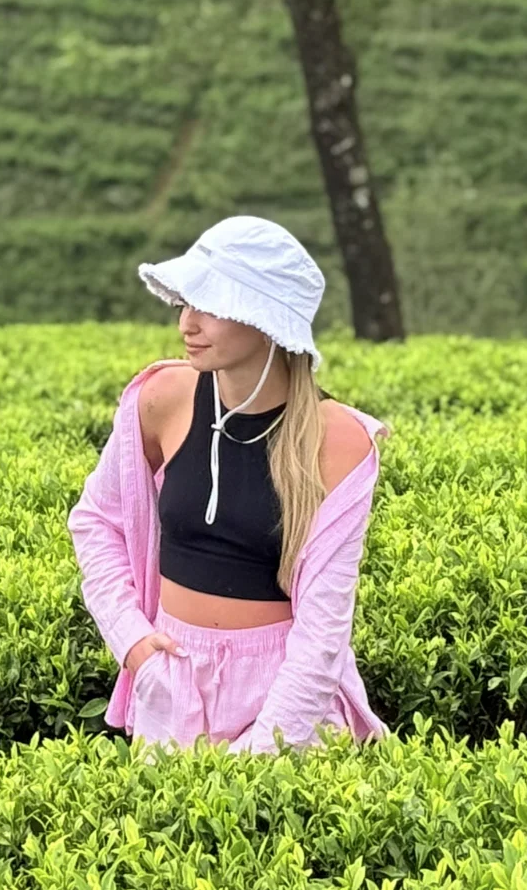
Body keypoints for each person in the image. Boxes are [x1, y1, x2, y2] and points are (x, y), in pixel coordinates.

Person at [67, 213, 393, 757]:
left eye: (210, 306)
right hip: (171, 685)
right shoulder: (163, 398)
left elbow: (323, 633)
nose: (187, 324)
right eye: (185, 303)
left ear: (264, 318)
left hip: (291, 703)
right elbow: (97, 519)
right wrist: (132, 641)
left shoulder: (339, 440)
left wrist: (264, 748)